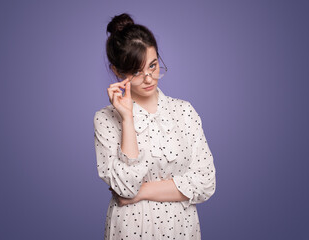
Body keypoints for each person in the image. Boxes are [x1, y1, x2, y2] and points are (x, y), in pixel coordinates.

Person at [93, 13, 216, 240]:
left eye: (153, 65)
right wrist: (127, 118)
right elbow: (125, 187)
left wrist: (139, 193)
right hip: (130, 230)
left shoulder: (184, 112)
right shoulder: (105, 119)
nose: (149, 78)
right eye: (137, 72)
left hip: (181, 229)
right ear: (117, 72)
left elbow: (205, 182)